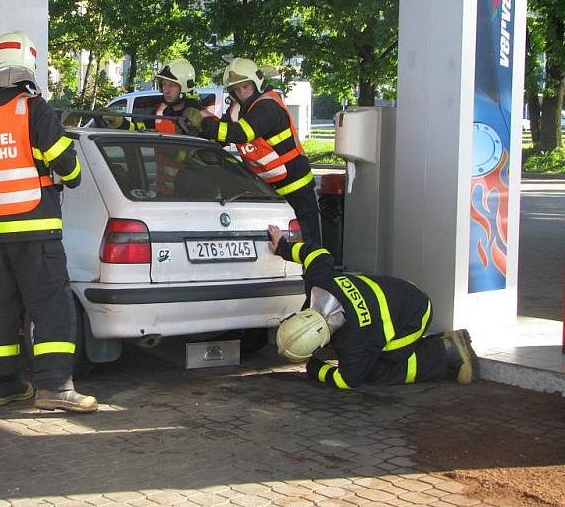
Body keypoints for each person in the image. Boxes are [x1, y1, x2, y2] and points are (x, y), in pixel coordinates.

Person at [0, 30, 98, 412]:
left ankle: (4, 387)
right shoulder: (32, 107)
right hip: (35, 229)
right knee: (52, 308)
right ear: (28, 67)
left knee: (0, 311)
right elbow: (70, 169)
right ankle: (55, 388)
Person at [267, 225, 479, 389]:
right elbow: (317, 254)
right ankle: (437, 344)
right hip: (402, 292)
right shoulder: (319, 284)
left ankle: (446, 352)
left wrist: (314, 368)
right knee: (370, 355)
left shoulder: (355, 341)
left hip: (415, 313)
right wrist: (284, 248)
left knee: (380, 369)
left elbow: (347, 381)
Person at [187, 58, 321, 243]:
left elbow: (241, 133)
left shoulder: (267, 105)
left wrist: (204, 123)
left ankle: (317, 272)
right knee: (279, 243)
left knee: (308, 241)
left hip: (296, 186)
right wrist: (196, 131)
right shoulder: (239, 109)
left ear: (256, 83)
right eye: (236, 88)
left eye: (245, 86)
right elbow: (222, 135)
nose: (241, 92)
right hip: (269, 187)